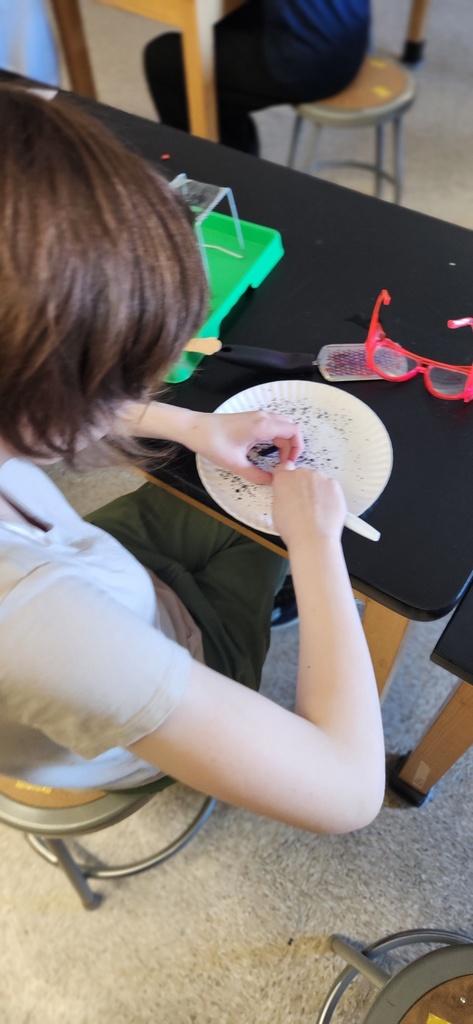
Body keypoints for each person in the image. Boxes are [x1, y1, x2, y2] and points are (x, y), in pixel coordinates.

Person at [0, 85, 384, 834]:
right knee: (285, 548)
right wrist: (312, 544)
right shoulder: (36, 624)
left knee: (247, 520)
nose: (130, 399)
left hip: (113, 581)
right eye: (120, 381)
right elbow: (346, 792)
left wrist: (191, 426)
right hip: (145, 673)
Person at [143, 0, 371, 155]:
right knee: (222, 29)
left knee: (165, 62)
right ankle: (239, 152)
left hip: (311, 62)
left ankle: (215, 170)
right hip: (351, 34)